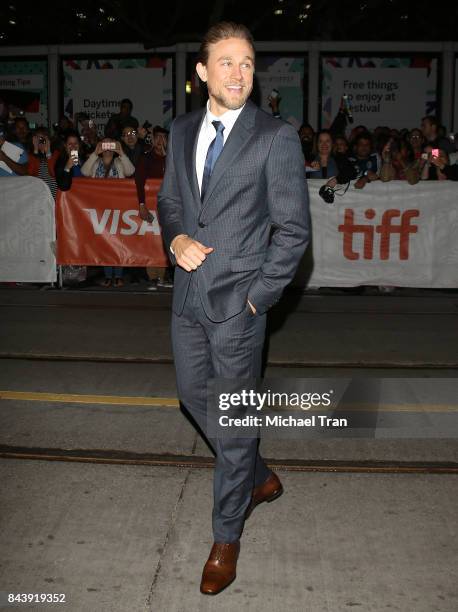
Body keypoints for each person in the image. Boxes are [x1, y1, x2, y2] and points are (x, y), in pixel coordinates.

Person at [158, 21, 309, 595]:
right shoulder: (179, 130)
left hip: (239, 307)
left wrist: (256, 299)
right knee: (195, 399)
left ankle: (226, 535)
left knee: (232, 415)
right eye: (227, 63)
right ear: (202, 73)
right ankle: (257, 473)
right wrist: (174, 239)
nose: (239, 73)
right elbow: (172, 202)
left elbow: (293, 232)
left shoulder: (275, 136)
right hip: (187, 299)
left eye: (246, 63)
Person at [81, 137, 135, 288]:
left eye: (111, 144)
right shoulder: (95, 162)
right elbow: (84, 172)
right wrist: (94, 153)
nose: (108, 147)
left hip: (118, 208)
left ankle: (118, 276)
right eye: (104, 144)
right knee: (104, 242)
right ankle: (107, 275)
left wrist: (121, 153)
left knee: (118, 242)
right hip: (99, 209)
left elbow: (131, 171)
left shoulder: (118, 162)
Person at [134, 126, 172, 290]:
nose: (160, 141)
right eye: (157, 137)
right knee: (151, 239)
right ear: (152, 139)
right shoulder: (146, 157)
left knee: (165, 239)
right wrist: (142, 204)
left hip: (169, 206)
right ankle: (152, 278)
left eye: (163, 138)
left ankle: (163, 277)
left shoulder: (172, 157)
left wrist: (167, 157)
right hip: (150, 205)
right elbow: (139, 181)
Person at [27, 127, 59, 199]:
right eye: (37, 139)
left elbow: (53, 173)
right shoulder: (32, 156)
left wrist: (48, 153)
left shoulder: (55, 154)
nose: (40, 141)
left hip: (53, 194)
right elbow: (31, 174)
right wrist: (35, 151)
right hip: (38, 195)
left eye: (42, 139)